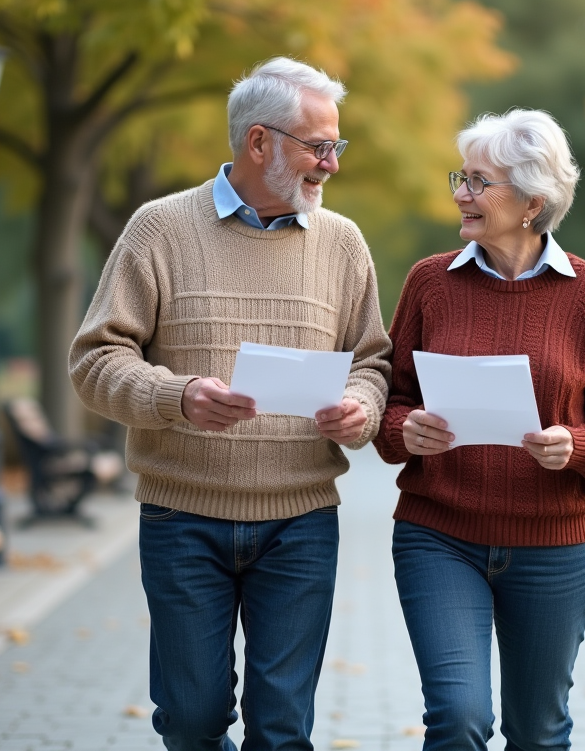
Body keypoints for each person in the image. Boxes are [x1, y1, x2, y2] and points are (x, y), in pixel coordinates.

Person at [69, 57, 391, 751]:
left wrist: (360, 409)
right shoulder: (158, 229)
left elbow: (372, 361)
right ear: (259, 142)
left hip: (302, 520)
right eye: (319, 146)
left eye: (336, 145)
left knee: (282, 728)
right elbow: (94, 361)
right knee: (191, 719)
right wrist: (177, 396)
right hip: (182, 518)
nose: (332, 164)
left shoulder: (343, 244)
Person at [373, 108, 585, 751]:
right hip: (439, 538)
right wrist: (405, 429)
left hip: (553, 550)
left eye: (479, 182)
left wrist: (577, 445)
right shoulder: (429, 283)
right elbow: (389, 397)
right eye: (461, 178)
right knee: (459, 718)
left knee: (538, 732)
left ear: (532, 202)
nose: (461, 194)